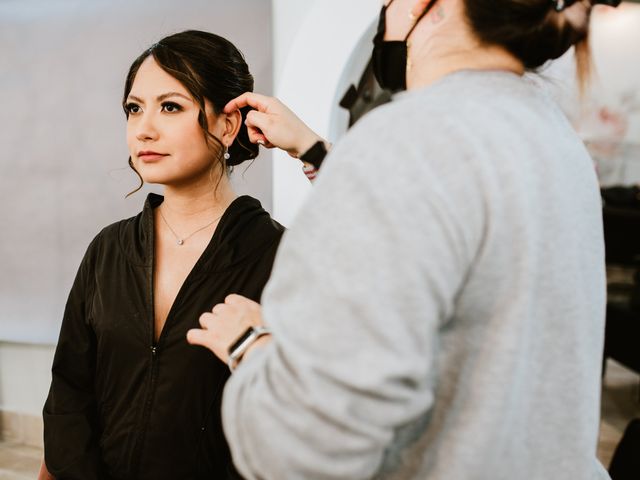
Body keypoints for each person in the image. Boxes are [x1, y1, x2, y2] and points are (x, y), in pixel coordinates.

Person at [187, 0, 619, 478]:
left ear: (425, 7)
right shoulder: (552, 138)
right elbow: (448, 221)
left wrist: (256, 346)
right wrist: (315, 149)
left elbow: (306, 446)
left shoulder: (407, 141)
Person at [41, 30, 284, 480]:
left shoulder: (283, 257)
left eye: (170, 106)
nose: (144, 128)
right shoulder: (108, 249)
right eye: (134, 109)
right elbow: (70, 391)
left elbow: (296, 422)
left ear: (227, 124)